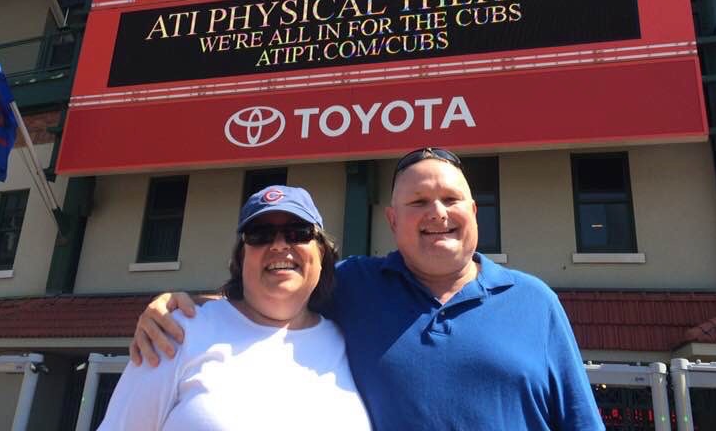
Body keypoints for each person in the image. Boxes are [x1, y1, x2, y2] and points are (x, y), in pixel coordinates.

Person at [132, 148, 604, 431]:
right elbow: (273, 290)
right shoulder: (356, 284)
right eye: (418, 202)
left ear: (474, 212)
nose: (437, 212)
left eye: (451, 199)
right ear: (393, 220)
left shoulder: (535, 301)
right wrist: (179, 304)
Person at [99, 185, 371, 430]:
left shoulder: (350, 341)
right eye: (259, 234)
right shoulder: (177, 332)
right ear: (241, 259)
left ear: (322, 254)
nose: (279, 245)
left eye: (298, 233)